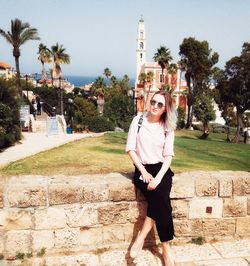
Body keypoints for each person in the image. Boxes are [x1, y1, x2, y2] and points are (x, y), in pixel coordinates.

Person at [126, 90, 177, 266]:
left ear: (165, 109)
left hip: (161, 169)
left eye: (160, 104)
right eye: (153, 102)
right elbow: (130, 149)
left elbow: (168, 155)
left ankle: (142, 237)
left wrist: (158, 177)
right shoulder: (138, 120)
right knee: (162, 202)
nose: (155, 106)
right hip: (142, 168)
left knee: (161, 197)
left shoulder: (168, 126)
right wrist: (144, 172)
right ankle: (166, 249)